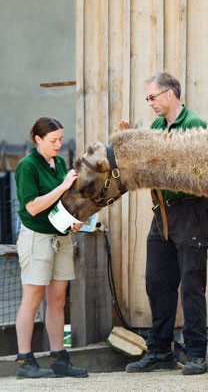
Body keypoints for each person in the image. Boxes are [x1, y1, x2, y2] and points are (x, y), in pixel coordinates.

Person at [122, 72, 208, 376]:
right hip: (162, 212)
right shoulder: (156, 127)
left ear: (169, 94)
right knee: (157, 281)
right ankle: (160, 350)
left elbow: (196, 172)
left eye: (152, 97)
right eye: (148, 98)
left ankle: (197, 353)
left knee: (191, 283)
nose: (150, 103)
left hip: (191, 211)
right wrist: (130, 144)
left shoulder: (194, 125)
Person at [14, 117, 88, 379]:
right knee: (32, 300)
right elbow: (32, 206)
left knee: (57, 300)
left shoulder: (57, 162)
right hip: (37, 238)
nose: (58, 145)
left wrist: (72, 221)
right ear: (38, 139)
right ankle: (25, 362)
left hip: (61, 237)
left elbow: (60, 202)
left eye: (60, 139)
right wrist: (63, 185)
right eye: (53, 140)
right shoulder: (26, 166)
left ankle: (59, 359)